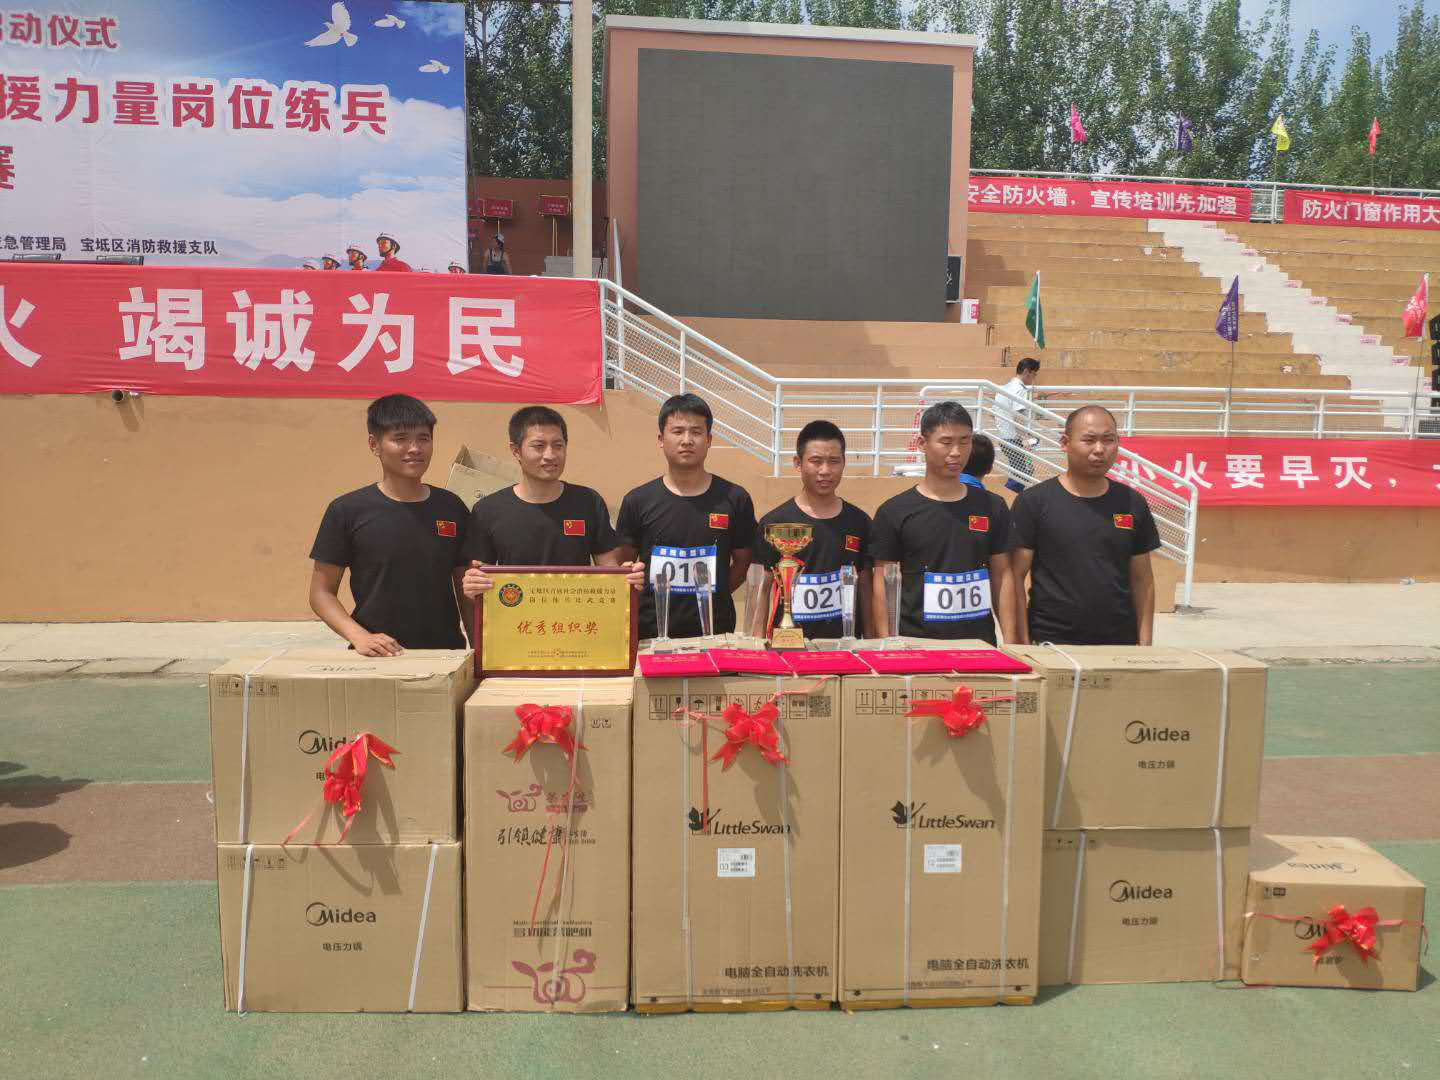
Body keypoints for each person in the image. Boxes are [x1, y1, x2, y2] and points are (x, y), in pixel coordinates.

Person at [309, 394, 470, 656]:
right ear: (374, 445)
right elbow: (321, 593)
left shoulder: (452, 507)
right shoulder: (347, 510)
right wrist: (360, 637)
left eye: (423, 438)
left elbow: (466, 590)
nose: (414, 448)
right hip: (377, 656)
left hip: (445, 653)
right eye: (400, 438)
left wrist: (480, 654)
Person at [1010, 405, 1161, 646]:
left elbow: (1143, 580)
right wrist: (1022, 643)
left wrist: (1145, 647)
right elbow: (1015, 577)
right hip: (1052, 644)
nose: (1099, 449)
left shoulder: (1132, 502)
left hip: (1119, 644)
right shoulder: (1033, 502)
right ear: (1065, 443)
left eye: (1108, 440)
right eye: (1089, 440)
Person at [869, 401, 1017, 644]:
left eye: (964, 441)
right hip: (916, 644)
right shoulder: (894, 512)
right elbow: (883, 583)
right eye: (946, 442)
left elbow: (1003, 575)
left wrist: (1010, 643)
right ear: (922, 444)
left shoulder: (993, 506)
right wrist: (887, 643)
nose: (956, 452)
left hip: (978, 646)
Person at [459, 406, 644, 599]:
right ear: (516, 450)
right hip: (515, 615)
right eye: (539, 446)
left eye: (558, 445)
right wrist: (473, 587)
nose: (550, 455)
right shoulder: (488, 511)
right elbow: (479, 578)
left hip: (577, 616)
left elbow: (608, 570)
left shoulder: (588, 502)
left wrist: (624, 578)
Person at [616, 394, 757, 640]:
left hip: (716, 634)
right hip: (651, 635)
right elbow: (624, 564)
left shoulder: (735, 498)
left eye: (696, 432)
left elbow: (743, 563)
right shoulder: (637, 501)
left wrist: (715, 592)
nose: (687, 440)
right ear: (661, 440)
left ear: (709, 440)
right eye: (678, 431)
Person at [754, 420, 871, 640]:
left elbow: (865, 588)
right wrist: (757, 642)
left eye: (834, 461)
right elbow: (762, 588)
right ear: (798, 463)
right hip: (788, 647)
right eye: (816, 461)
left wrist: (872, 642)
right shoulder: (774, 523)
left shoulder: (860, 522)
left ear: (844, 463)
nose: (825, 471)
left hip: (843, 648)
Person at [996, 357, 1042, 494]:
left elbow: (994, 413)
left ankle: (1011, 497)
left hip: (1005, 437)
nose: (1034, 378)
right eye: (1034, 374)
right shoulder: (1020, 389)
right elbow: (1018, 415)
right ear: (1027, 372)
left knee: (1020, 471)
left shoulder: (1004, 388)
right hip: (1015, 439)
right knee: (1022, 474)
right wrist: (1025, 439)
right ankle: (1009, 498)